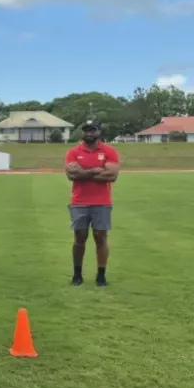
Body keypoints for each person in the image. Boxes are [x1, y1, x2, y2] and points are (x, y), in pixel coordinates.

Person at [64, 120, 120, 287]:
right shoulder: (74, 152)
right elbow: (72, 175)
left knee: (100, 237)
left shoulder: (109, 151)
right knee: (79, 237)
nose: (89, 133)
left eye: (92, 130)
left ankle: (101, 276)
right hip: (79, 202)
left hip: (101, 202)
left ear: (98, 132)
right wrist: (95, 171)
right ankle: (77, 275)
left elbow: (112, 176)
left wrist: (83, 173)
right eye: (86, 130)